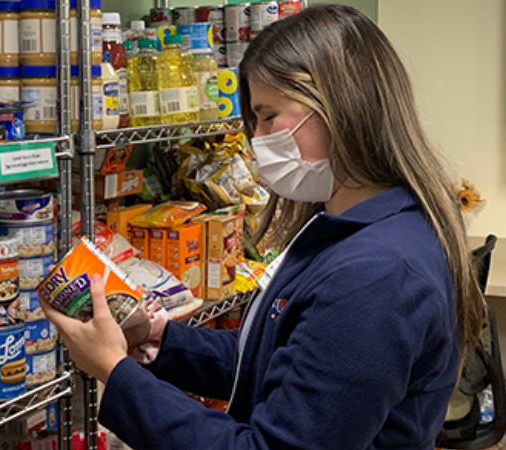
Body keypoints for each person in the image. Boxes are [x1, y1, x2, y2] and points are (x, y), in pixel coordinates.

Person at [41, 5, 485, 449]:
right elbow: (276, 361)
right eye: (255, 121)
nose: (258, 140)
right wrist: (159, 339)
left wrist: (115, 371)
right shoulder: (349, 225)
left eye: (270, 116)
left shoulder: (378, 274)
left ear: (343, 105)